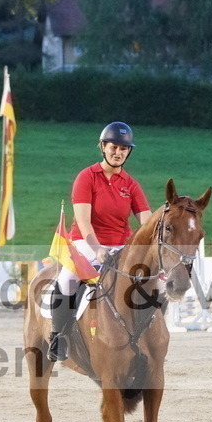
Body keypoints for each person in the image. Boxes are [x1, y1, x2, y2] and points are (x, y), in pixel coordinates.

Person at [48, 122, 151, 362]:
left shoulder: (131, 185)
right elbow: (84, 223)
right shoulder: (87, 177)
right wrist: (98, 250)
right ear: (103, 147)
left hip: (121, 245)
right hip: (86, 242)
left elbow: (146, 223)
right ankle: (58, 335)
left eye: (124, 149)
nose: (119, 153)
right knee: (67, 279)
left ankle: (145, 336)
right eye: (114, 147)